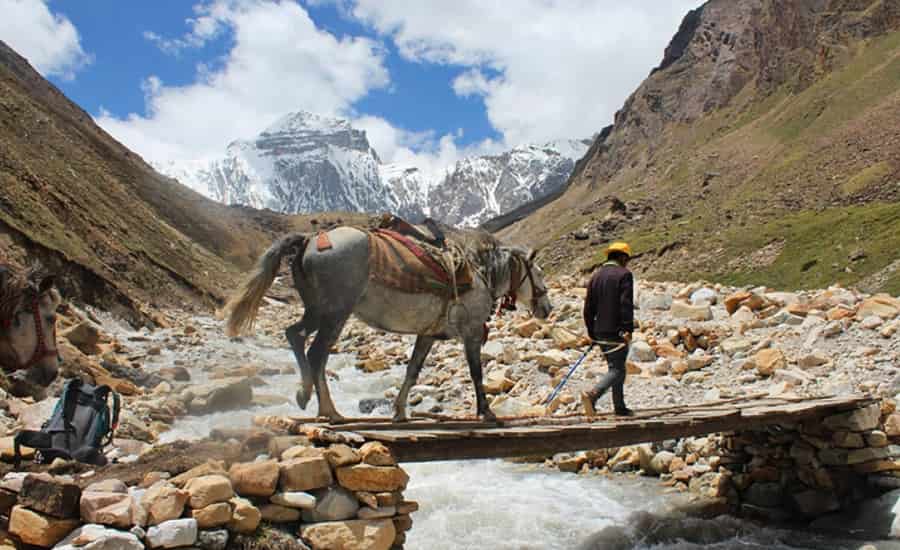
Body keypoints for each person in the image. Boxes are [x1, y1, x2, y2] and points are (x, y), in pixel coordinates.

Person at [580, 242, 635, 417]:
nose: (627, 263)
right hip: (616, 331)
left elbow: (588, 307)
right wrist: (627, 328)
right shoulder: (624, 274)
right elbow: (625, 304)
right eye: (627, 259)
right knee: (617, 369)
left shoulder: (596, 276)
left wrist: (591, 331)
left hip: (599, 331)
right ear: (622, 257)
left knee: (616, 367)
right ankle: (593, 395)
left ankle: (620, 407)